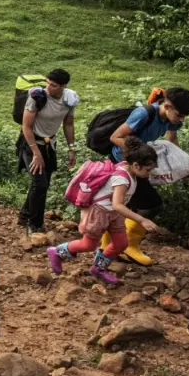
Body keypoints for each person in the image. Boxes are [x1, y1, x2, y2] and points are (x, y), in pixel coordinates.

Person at [102, 86, 189, 265]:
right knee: (151, 205)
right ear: (167, 106)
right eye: (179, 115)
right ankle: (128, 246)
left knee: (129, 204)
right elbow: (115, 137)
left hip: (141, 163)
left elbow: (172, 140)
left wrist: (182, 165)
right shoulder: (143, 114)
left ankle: (107, 245)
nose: (181, 119)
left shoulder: (172, 119)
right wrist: (140, 154)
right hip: (126, 163)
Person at [47, 138, 158, 285]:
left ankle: (98, 269)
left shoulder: (129, 169)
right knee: (88, 245)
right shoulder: (122, 179)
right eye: (147, 170)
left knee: (121, 243)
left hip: (113, 213)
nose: (148, 174)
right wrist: (142, 219)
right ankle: (57, 252)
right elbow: (117, 205)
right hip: (100, 212)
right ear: (136, 165)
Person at [18, 69, 78, 235]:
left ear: (63, 86)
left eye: (53, 85)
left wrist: (71, 148)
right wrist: (36, 153)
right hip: (31, 143)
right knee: (40, 183)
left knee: (41, 183)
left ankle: (24, 216)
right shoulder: (37, 97)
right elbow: (26, 127)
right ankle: (34, 224)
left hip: (49, 144)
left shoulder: (69, 100)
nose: (48, 87)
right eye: (48, 83)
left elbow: (68, 124)